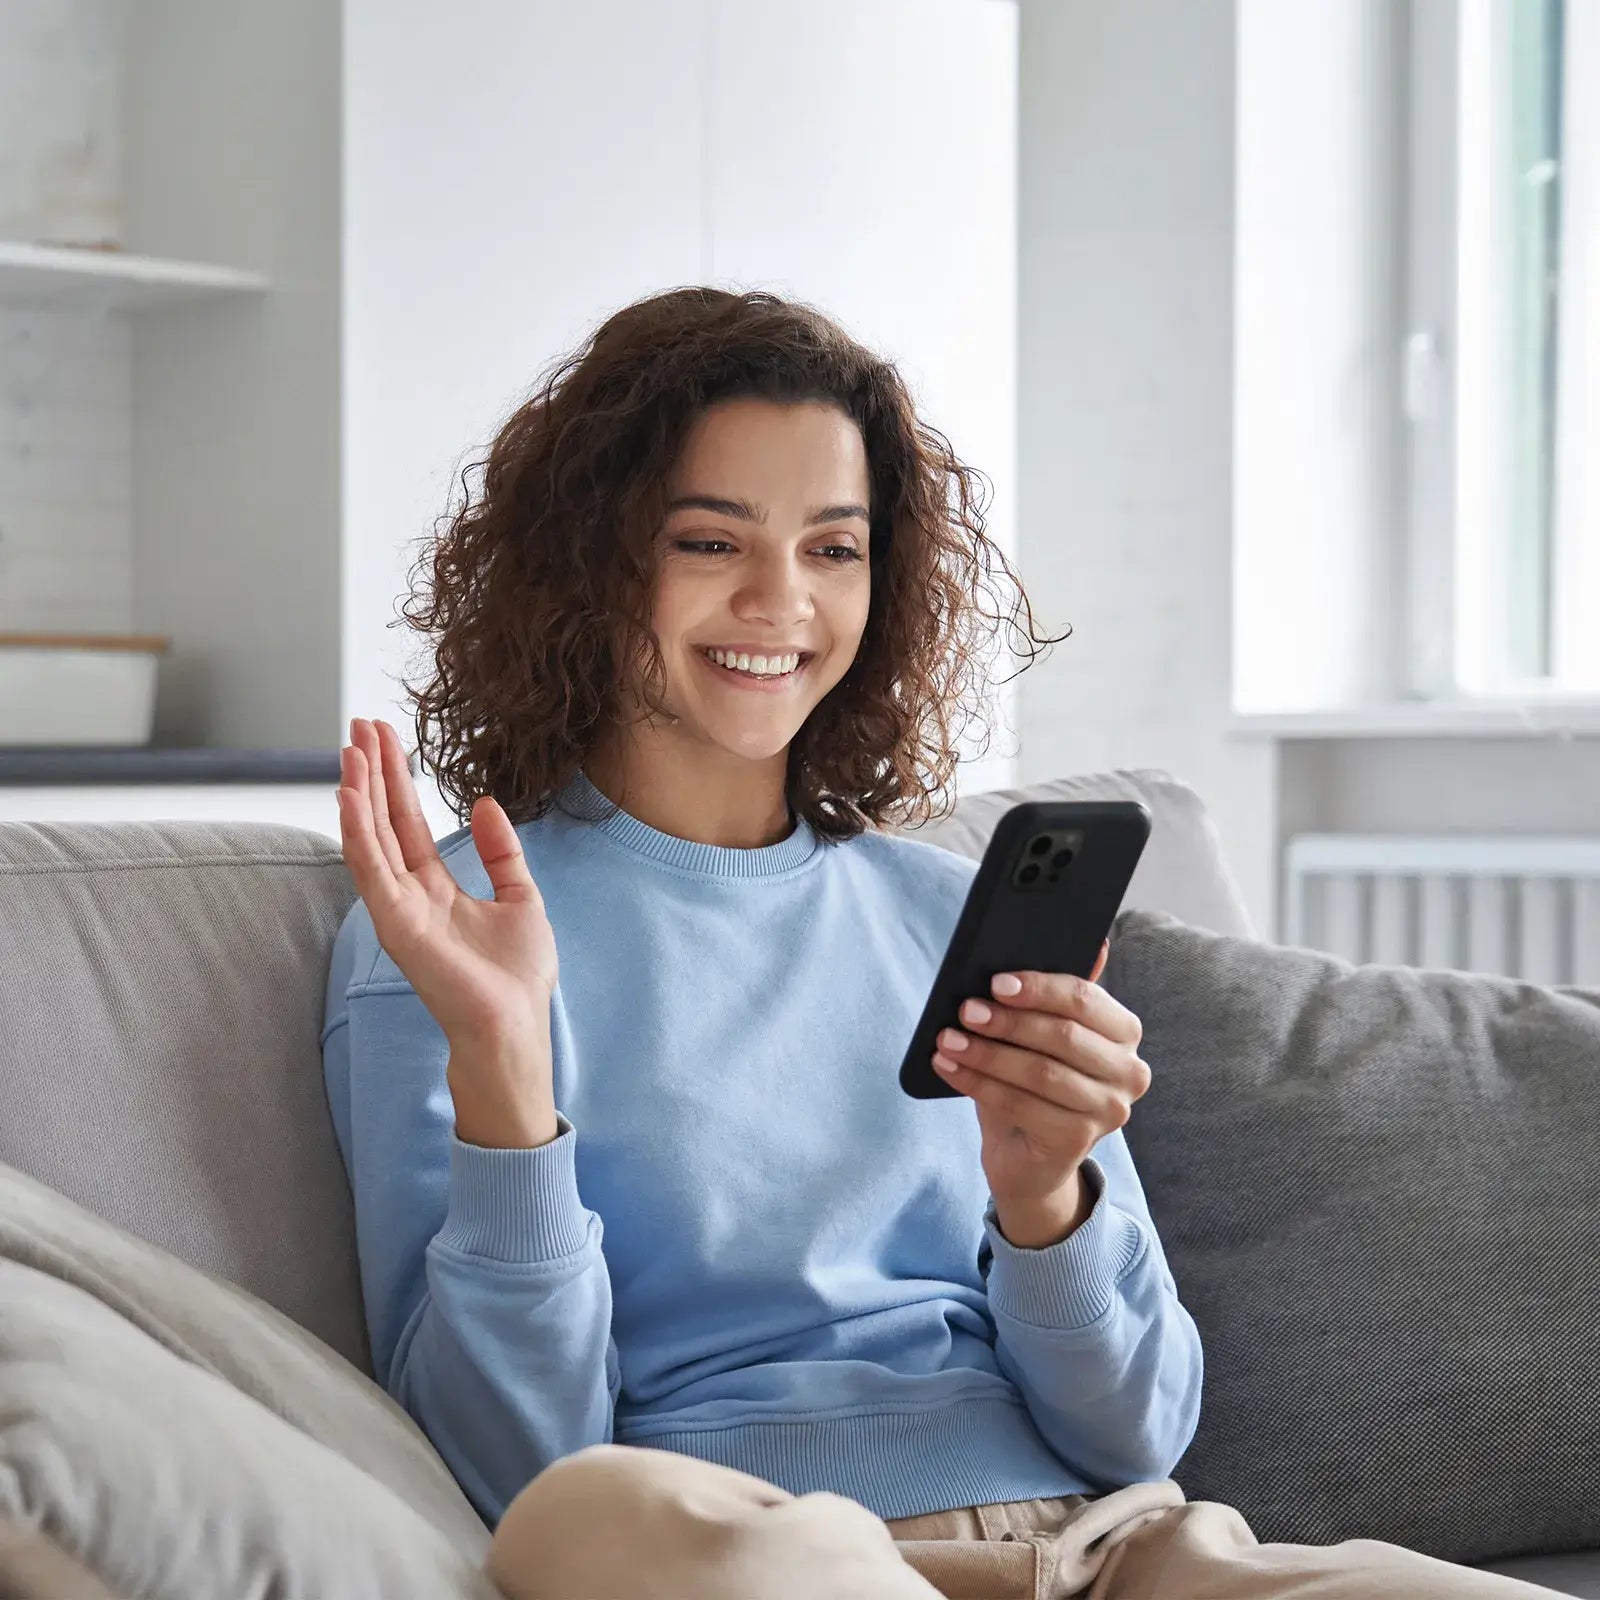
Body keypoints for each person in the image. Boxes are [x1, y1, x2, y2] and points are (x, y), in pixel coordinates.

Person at [323, 286, 1568, 1600]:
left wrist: (1046, 1204)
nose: (778, 601)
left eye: (834, 549)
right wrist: (506, 1077)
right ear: (588, 562)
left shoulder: (944, 911)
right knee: (595, 1515)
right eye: (706, 541)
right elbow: (514, 1470)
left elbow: (1142, 1430)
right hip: (761, 1549)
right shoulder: (447, 937)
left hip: (1099, 1548)